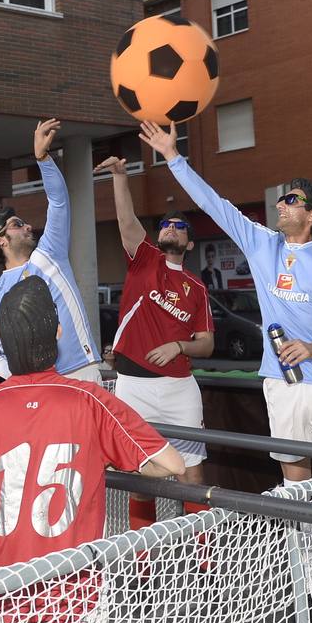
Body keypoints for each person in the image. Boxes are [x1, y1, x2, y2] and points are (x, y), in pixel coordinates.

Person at [0, 276, 184, 623]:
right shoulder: (89, 398)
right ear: (57, 333)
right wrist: (105, 461)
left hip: (7, 587)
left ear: (2, 343)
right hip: (77, 589)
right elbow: (169, 463)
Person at [139, 121, 312, 487]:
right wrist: (172, 156)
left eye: (291, 200)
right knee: (296, 487)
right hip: (281, 381)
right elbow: (213, 204)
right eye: (281, 199)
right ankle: (300, 528)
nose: (280, 204)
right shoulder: (262, 243)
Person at [92, 155, 214, 535]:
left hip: (180, 389)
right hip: (134, 387)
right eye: (165, 224)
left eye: (179, 226)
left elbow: (207, 344)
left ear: (189, 242)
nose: (171, 228)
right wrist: (120, 176)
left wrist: (179, 346)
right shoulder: (144, 259)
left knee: (191, 476)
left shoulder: (197, 288)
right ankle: (143, 557)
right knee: (141, 476)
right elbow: (126, 220)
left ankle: (203, 558)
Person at [0, 118, 100, 383]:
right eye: (17, 224)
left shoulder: (49, 253)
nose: (27, 226)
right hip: (38, 385)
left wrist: (43, 158)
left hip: (80, 371)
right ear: (0, 240)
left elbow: (58, 202)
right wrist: (28, 382)